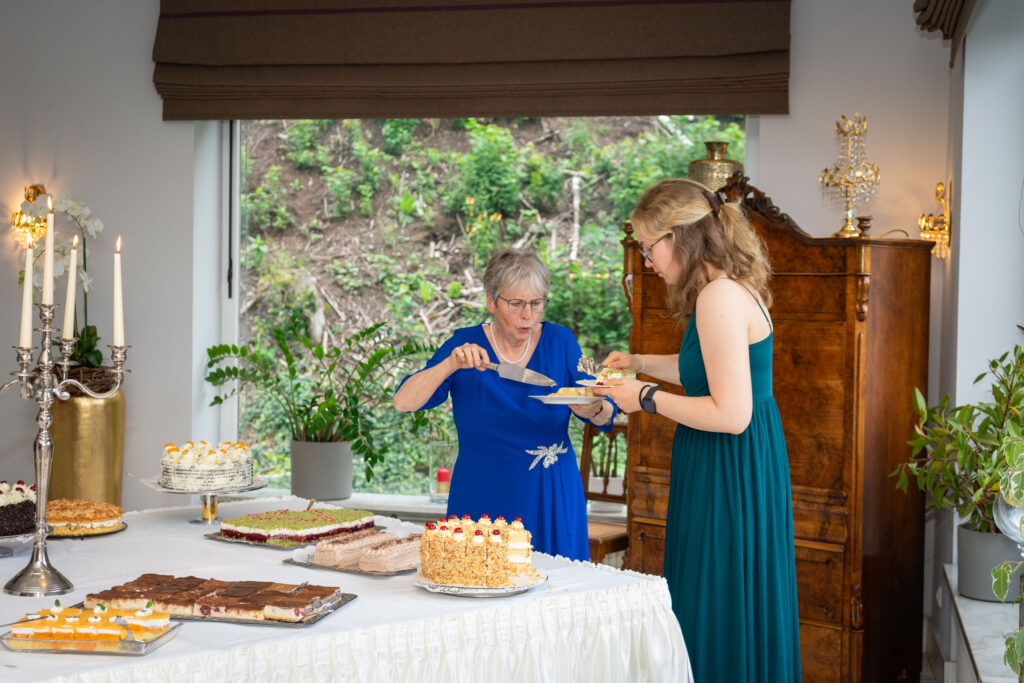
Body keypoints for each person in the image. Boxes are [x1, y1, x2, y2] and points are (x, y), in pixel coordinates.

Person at [593, 179, 801, 682]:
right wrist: (640, 362)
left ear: (680, 237)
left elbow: (732, 415)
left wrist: (644, 398)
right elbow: (707, 370)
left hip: (726, 465)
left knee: (716, 595)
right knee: (730, 595)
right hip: (738, 460)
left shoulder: (717, 297)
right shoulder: (729, 287)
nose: (647, 260)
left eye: (649, 247)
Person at [393, 247, 615, 561]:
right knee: (478, 579)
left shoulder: (561, 341)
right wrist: (449, 365)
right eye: (516, 304)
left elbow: (605, 407)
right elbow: (403, 402)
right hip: (482, 494)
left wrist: (594, 408)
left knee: (556, 585)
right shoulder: (464, 345)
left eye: (536, 303)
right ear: (491, 302)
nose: (528, 315)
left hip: (550, 491)